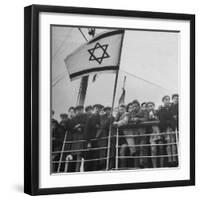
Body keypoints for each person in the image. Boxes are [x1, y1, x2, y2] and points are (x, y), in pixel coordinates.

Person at [157, 95, 176, 167]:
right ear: (163, 101)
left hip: (172, 128)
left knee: (173, 142)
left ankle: (174, 158)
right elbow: (162, 119)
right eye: (166, 99)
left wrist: (172, 125)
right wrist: (164, 130)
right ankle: (169, 159)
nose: (167, 101)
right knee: (168, 143)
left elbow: (173, 118)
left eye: (168, 99)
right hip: (165, 129)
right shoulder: (161, 110)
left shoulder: (172, 108)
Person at [84, 104, 103, 171]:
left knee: (96, 157)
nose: (98, 110)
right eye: (96, 108)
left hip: (98, 141)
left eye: (99, 109)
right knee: (88, 158)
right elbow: (86, 131)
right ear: (94, 109)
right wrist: (88, 142)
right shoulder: (90, 118)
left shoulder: (101, 118)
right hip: (91, 140)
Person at [70, 105, 87, 172]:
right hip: (75, 138)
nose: (79, 111)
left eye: (80, 109)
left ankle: (77, 170)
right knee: (74, 155)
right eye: (78, 110)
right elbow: (70, 127)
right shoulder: (73, 119)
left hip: (82, 137)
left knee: (80, 154)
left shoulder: (86, 117)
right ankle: (73, 171)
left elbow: (87, 125)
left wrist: (80, 126)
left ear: (82, 110)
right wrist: (75, 128)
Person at [146, 101, 162, 168]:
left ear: (154, 106)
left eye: (152, 105)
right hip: (151, 134)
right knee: (153, 150)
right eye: (149, 106)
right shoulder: (145, 114)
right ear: (147, 107)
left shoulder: (158, 112)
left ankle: (162, 166)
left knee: (161, 149)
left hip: (159, 133)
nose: (150, 107)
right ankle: (154, 166)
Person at [113, 104, 129, 168]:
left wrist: (117, 123)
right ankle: (118, 166)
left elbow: (125, 121)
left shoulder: (126, 114)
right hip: (119, 138)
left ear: (125, 109)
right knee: (118, 153)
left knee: (122, 152)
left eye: (122, 109)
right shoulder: (117, 116)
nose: (120, 111)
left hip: (125, 137)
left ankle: (123, 167)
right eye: (119, 110)